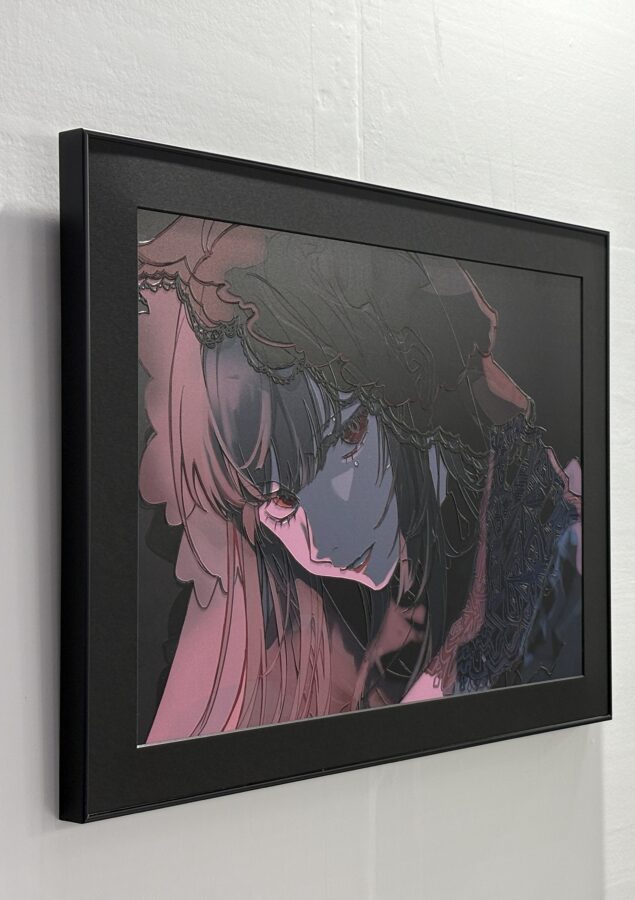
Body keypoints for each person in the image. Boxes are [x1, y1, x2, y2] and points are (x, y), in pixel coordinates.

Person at [136, 215, 582, 743]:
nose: (322, 533)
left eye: (348, 435)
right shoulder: (289, 617)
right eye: (277, 499)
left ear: (411, 412)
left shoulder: (557, 559)